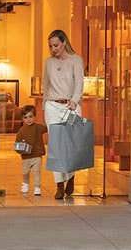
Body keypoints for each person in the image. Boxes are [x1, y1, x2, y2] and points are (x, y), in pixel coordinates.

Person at [42, 29, 85, 200]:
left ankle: (71, 177)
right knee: (56, 147)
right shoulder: (49, 62)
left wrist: (75, 100)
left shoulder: (76, 60)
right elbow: (45, 84)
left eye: (56, 45)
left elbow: (79, 82)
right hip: (52, 106)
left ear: (64, 43)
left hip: (71, 106)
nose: (53, 49)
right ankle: (59, 185)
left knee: (71, 146)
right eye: (51, 46)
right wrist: (45, 105)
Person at [14, 104, 47, 197]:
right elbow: (17, 143)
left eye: (31, 117)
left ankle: (37, 187)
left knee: (37, 172)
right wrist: (20, 149)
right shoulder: (21, 131)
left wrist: (47, 118)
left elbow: (46, 128)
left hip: (37, 155)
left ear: (34, 117)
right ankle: (25, 183)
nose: (28, 119)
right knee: (25, 172)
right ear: (22, 119)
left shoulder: (38, 127)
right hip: (26, 156)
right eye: (26, 117)